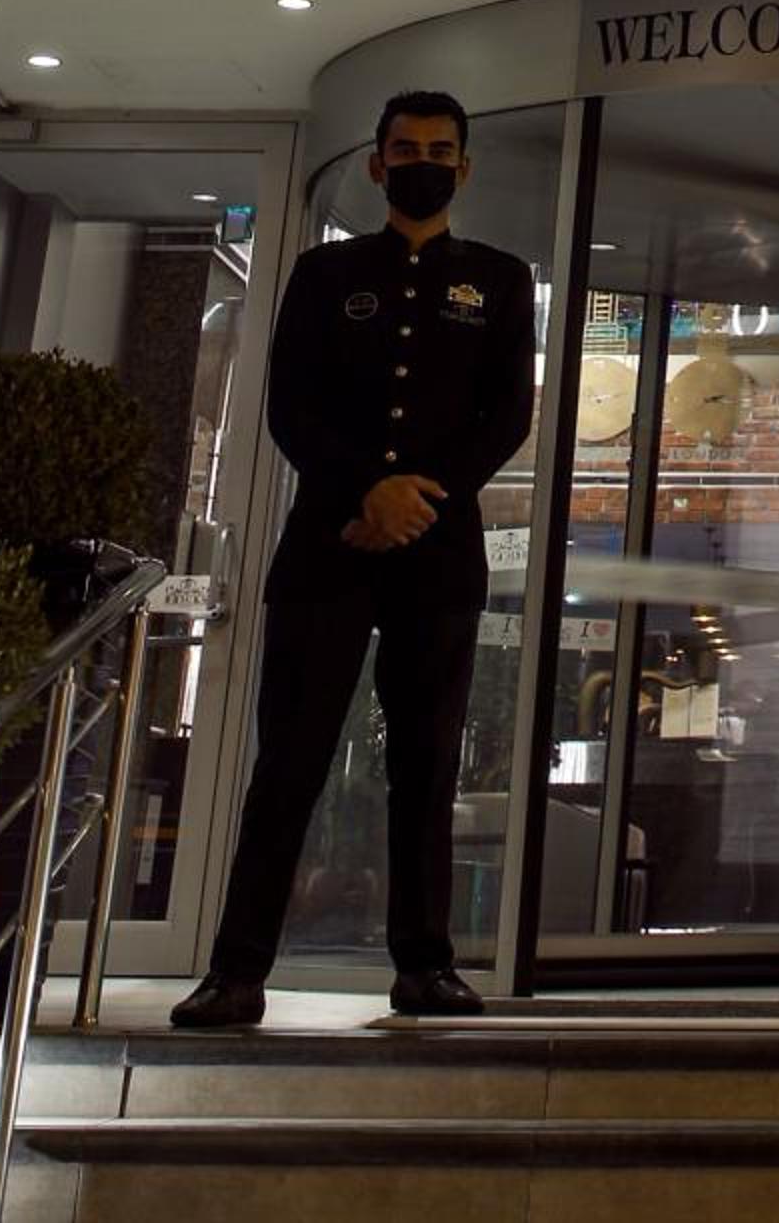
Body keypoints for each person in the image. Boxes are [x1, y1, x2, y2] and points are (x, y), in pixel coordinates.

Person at [172, 90, 534, 1028]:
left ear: (464, 168)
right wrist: (369, 491)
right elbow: (289, 407)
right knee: (289, 762)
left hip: (439, 556)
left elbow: (507, 417)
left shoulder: (499, 281)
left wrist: (414, 499)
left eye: (441, 151)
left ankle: (425, 968)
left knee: (427, 765)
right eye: (406, 149)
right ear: (377, 165)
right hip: (327, 549)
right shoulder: (323, 273)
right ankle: (236, 973)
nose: (424, 163)